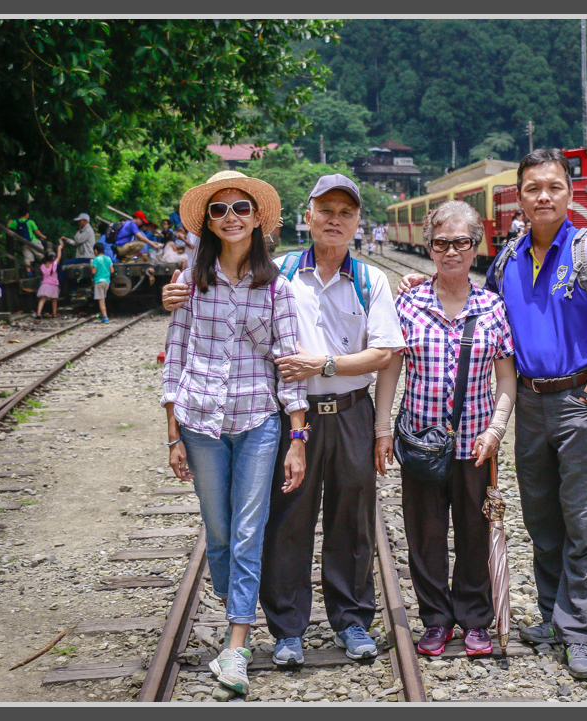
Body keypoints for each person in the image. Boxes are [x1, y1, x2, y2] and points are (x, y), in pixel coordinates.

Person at [396, 149, 587, 680]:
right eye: (533, 188)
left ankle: (580, 632)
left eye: (553, 187)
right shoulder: (508, 261)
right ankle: (552, 616)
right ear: (519, 197)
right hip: (528, 401)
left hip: (580, 400)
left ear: (568, 193)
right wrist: (420, 283)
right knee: (542, 518)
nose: (543, 196)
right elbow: (481, 311)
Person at [161, 173, 404, 667]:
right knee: (287, 521)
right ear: (307, 216)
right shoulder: (281, 272)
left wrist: (332, 373)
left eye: (345, 213)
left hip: (350, 409)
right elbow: (210, 307)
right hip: (290, 411)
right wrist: (174, 293)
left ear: (358, 222)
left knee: (351, 519)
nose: (335, 221)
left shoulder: (370, 279)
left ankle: (352, 620)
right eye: (325, 211)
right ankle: (287, 628)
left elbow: (384, 352)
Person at [161, 170, 309, 695]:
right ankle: (235, 601)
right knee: (218, 532)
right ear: (208, 222)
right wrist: (173, 433)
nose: (230, 217)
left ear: (257, 219)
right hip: (200, 422)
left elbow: (288, 363)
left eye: (240, 208)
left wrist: (297, 437)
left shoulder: (278, 288)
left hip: (259, 421)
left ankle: (237, 645)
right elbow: (174, 358)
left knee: (248, 530)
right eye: (219, 210)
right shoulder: (189, 283)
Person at [374, 200, 516, 658]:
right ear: (429, 246)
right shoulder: (408, 303)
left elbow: (507, 377)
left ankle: (476, 619)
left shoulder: (493, 307)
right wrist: (382, 430)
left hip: (477, 443)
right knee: (425, 534)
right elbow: (390, 370)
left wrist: (496, 431)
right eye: (441, 243)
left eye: (460, 242)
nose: (450, 252)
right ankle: (436, 620)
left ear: (476, 246)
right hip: (419, 442)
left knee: (475, 534)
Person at [8, 206, 47, 276]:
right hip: (33, 242)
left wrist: (9, 222)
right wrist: (42, 236)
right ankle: (47, 269)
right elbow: (36, 231)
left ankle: (29, 273)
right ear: (26, 214)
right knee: (43, 255)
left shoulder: (15, 222)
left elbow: (8, 226)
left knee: (27, 258)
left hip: (23, 243)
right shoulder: (30, 222)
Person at [34, 242, 64, 318]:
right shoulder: (53, 265)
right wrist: (59, 249)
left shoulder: (42, 266)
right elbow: (59, 257)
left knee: (43, 299)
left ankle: (38, 312)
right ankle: (54, 313)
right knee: (54, 300)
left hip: (45, 284)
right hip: (53, 285)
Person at [90, 242, 114, 322]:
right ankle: (102, 314)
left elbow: (93, 271)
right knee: (103, 299)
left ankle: (105, 317)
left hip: (99, 281)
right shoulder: (108, 258)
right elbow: (112, 270)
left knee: (101, 300)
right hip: (107, 281)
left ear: (95, 251)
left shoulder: (96, 259)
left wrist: (91, 265)